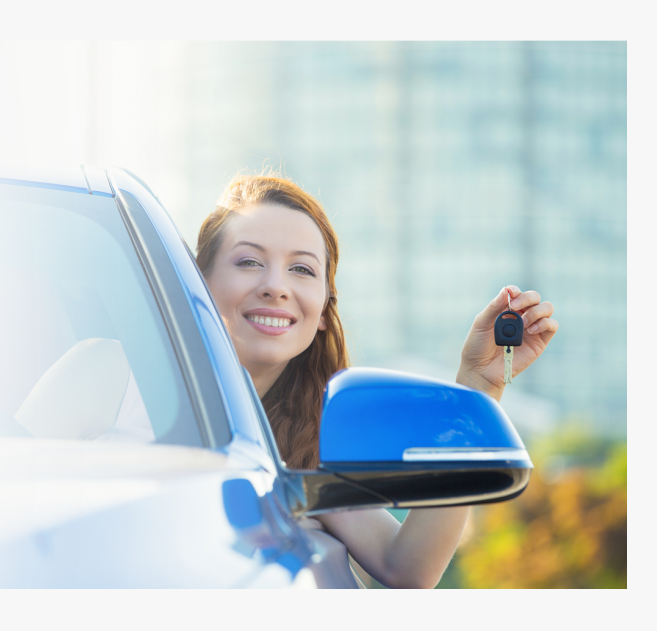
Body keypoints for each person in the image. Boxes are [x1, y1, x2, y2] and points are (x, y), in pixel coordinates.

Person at [195, 171, 559, 589]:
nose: (276, 287)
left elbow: (406, 567)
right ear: (200, 282)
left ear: (324, 306)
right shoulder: (113, 379)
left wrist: (478, 386)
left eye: (301, 269)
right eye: (249, 262)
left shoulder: (302, 454)